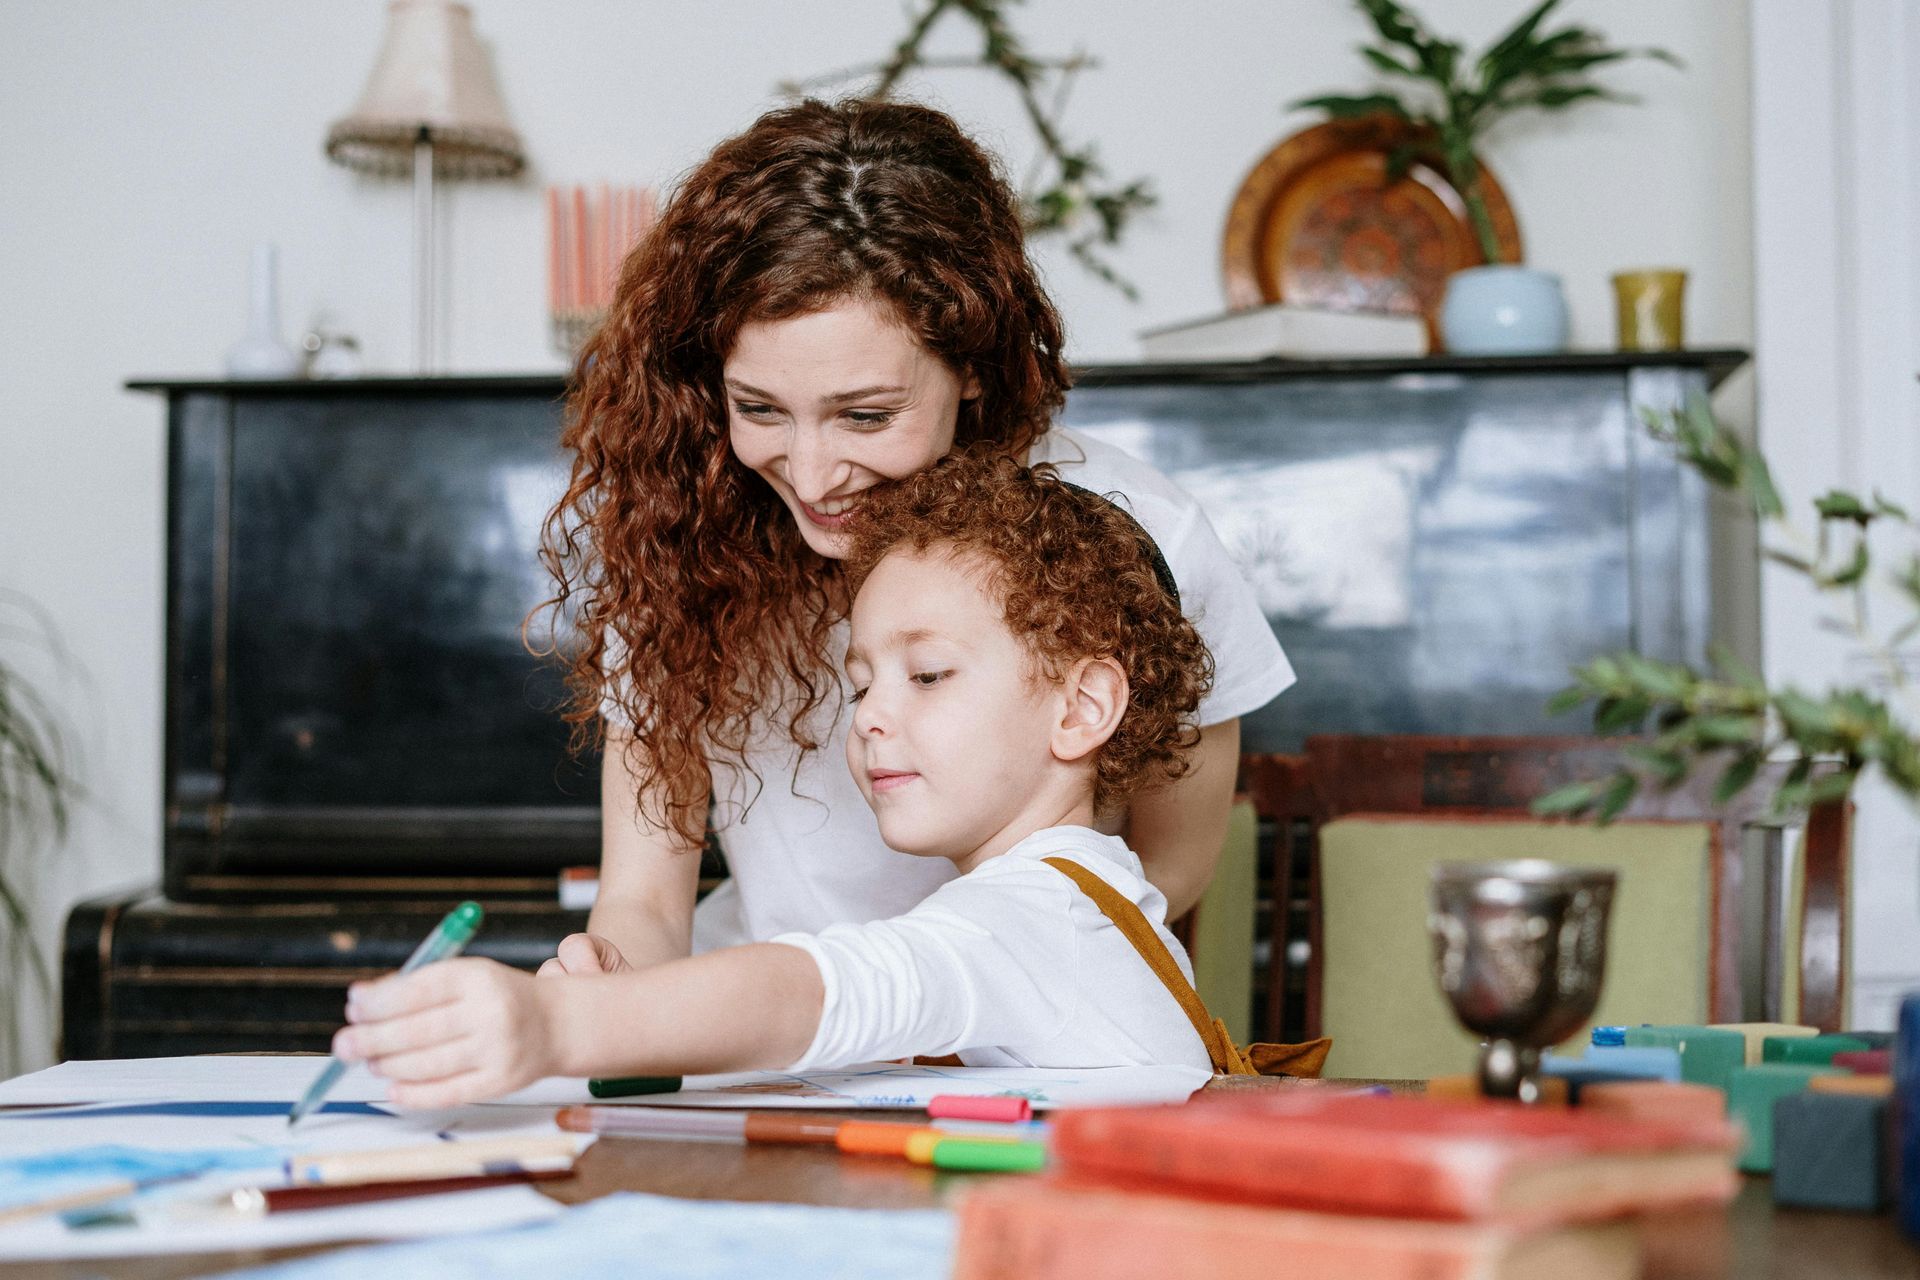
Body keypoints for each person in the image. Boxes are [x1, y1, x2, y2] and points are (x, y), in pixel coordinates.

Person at [535, 97, 1293, 981]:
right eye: (760, 410)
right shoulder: (681, 541)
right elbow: (646, 900)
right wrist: (608, 978)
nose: (812, 478)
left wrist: (950, 998)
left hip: (1017, 1017)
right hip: (762, 1031)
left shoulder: (1143, 538)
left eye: (865, 415)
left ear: (971, 363)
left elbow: (1168, 870)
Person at [333, 455, 1219, 1105]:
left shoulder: (1036, 916)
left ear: (1081, 707)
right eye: (860, 681)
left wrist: (560, 1026)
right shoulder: (1074, 898)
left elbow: (818, 989)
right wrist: (634, 1009)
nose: (868, 715)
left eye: (929, 675)